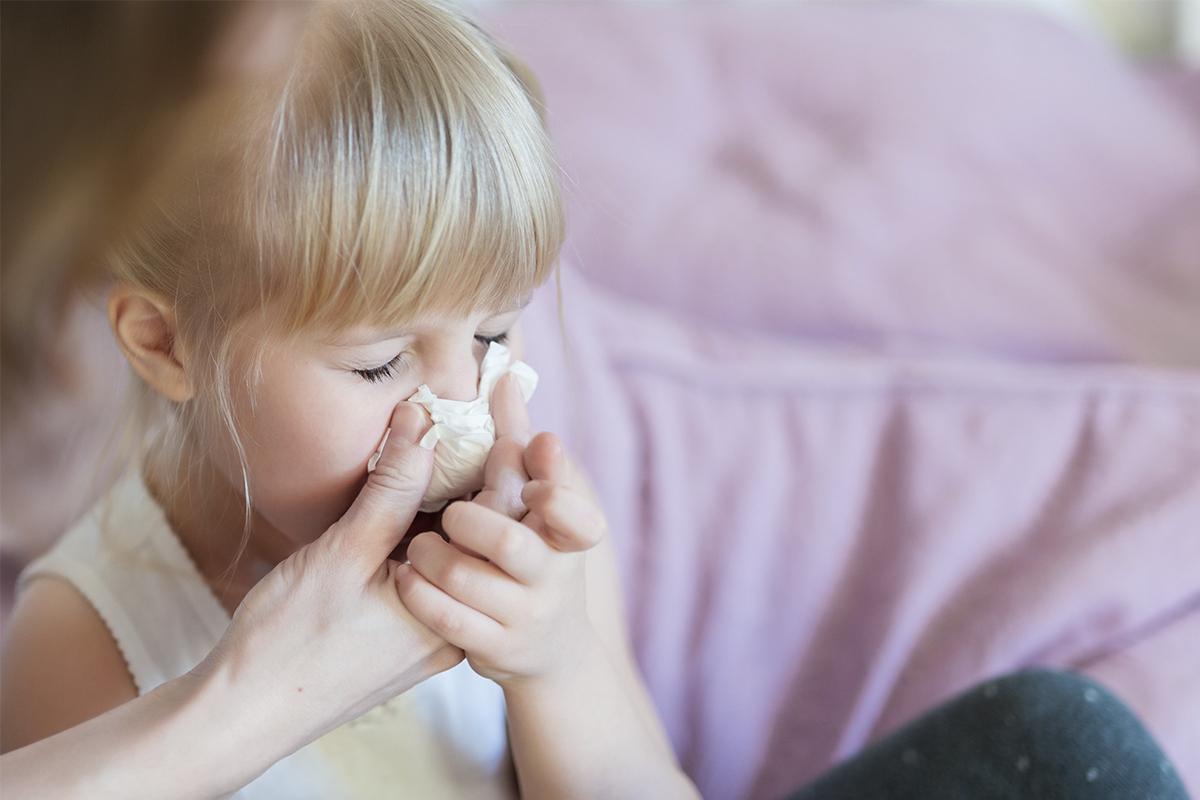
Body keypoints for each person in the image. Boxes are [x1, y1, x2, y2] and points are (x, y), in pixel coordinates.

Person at [0, 0, 698, 797]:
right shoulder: (86, 634)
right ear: (165, 344)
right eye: (379, 364)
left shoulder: (534, 545)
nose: (463, 406)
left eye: (494, 334)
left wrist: (559, 665)